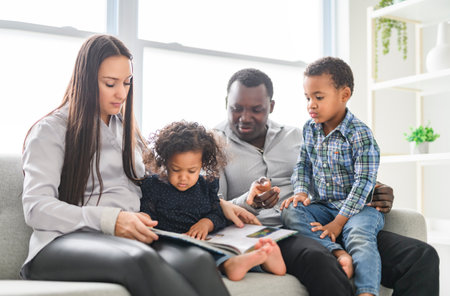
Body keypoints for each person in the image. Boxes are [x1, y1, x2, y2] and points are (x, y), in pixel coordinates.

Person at [21, 34, 231, 296]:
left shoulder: (126, 130)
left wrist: (221, 204)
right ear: (86, 81)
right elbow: (36, 208)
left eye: (127, 82)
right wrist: (113, 219)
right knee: (140, 261)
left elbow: (161, 182)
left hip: (123, 239)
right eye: (110, 83)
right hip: (60, 243)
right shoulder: (51, 131)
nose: (121, 93)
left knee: (198, 260)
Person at [216, 68, 440, 296]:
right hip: (278, 231)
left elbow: (332, 175)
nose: (244, 117)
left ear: (271, 106)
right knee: (320, 260)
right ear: (226, 102)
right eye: (236, 108)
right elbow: (210, 205)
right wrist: (248, 201)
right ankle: (338, 255)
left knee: (421, 256)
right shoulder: (213, 145)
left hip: (327, 217)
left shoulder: (297, 135)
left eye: (256, 109)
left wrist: (374, 189)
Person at [280, 57, 383, 296]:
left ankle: (367, 291)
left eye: (319, 97)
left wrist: (338, 223)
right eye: (307, 98)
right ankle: (336, 252)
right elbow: (303, 164)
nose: (311, 105)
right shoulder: (309, 129)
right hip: (324, 206)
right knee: (290, 211)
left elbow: (364, 182)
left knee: (360, 237)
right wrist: (301, 191)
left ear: (344, 95)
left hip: (359, 209)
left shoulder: (360, 134)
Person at [140, 121, 286, 281]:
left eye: (191, 171)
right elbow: (147, 212)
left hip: (207, 238)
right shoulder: (154, 185)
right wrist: (146, 220)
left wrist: (206, 223)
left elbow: (217, 212)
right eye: (176, 170)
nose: (183, 177)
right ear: (165, 163)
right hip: (173, 242)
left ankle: (265, 258)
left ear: (202, 164)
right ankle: (232, 265)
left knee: (224, 247)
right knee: (201, 256)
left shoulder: (206, 185)